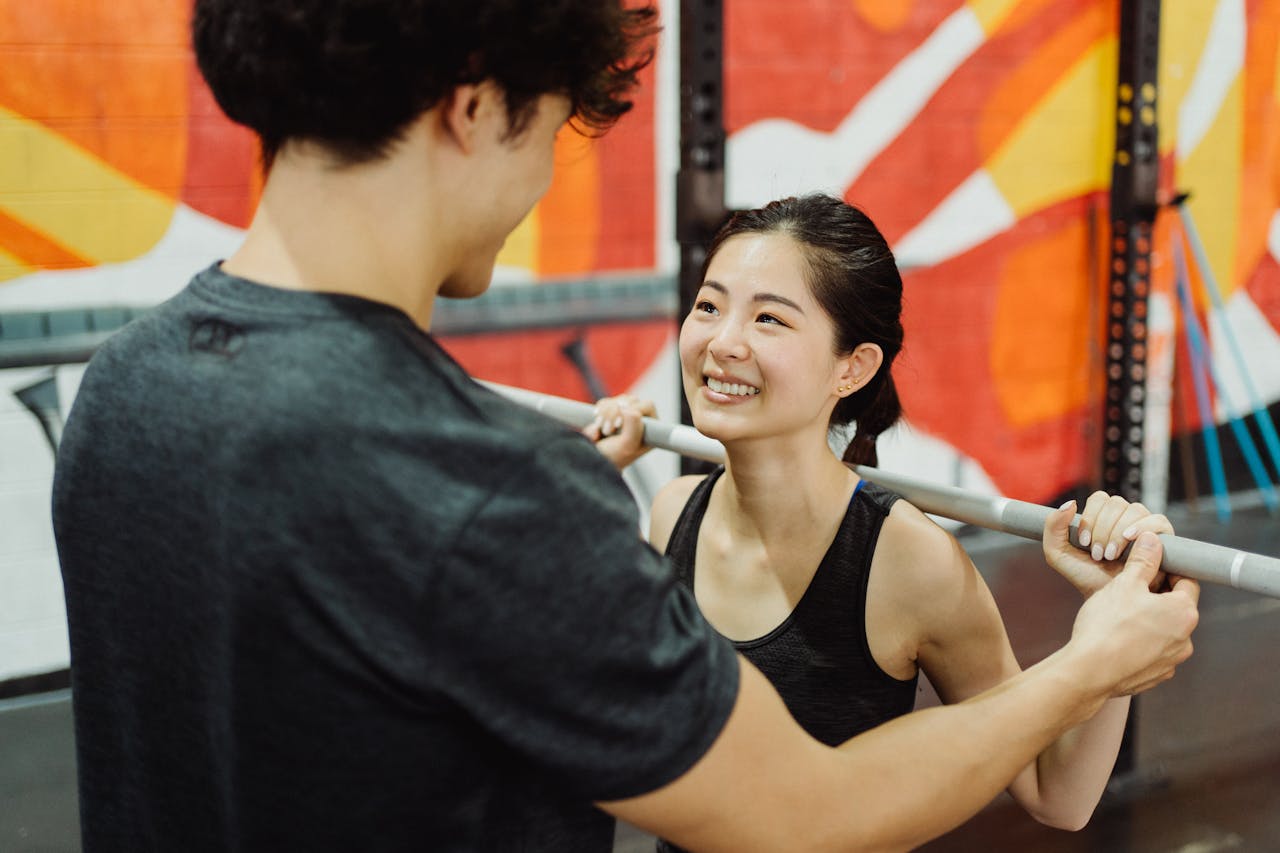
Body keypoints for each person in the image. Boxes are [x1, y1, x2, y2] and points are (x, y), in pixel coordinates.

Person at [51, 3, 1199, 852]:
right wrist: (1089, 665)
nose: (543, 178)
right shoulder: (493, 499)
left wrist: (545, 549)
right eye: (551, 127)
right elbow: (805, 810)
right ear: (476, 104)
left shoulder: (124, 390)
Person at [588, 194, 1182, 850]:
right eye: (709, 305)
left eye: (768, 319)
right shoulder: (674, 514)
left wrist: (1111, 614)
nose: (722, 342)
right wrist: (580, 485)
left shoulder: (908, 562)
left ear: (854, 366)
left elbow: (1057, 794)